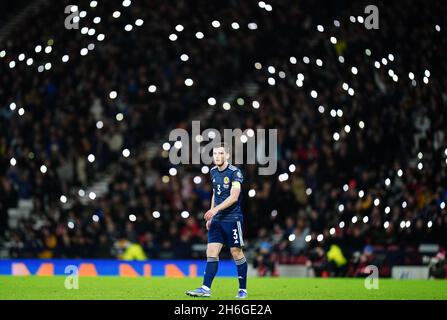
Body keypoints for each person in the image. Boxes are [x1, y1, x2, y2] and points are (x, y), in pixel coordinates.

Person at [186, 143, 247, 298]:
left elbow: (234, 197)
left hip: (232, 218)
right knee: (211, 252)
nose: (217, 156)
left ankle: (242, 289)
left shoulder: (235, 173)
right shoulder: (213, 171)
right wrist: (213, 214)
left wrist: (214, 210)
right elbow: (215, 193)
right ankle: (205, 289)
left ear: (227, 156)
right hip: (218, 219)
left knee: (236, 252)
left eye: (220, 153)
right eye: (214, 154)